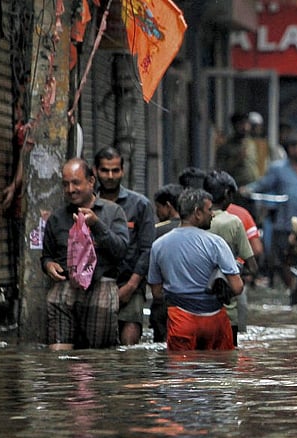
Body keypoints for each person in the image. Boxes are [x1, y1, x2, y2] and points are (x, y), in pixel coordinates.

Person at [41, 158, 129, 350]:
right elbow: (46, 255)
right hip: (65, 289)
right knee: (58, 355)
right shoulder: (57, 218)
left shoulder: (113, 212)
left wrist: (96, 224)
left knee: (97, 358)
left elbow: (121, 251)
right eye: (65, 184)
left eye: (76, 183)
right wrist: (49, 265)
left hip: (100, 288)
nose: (70, 189)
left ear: (91, 181)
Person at [148, 188, 244, 351]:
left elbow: (157, 293)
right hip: (214, 322)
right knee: (220, 372)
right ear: (197, 212)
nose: (212, 214)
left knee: (182, 372)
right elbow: (237, 287)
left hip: (181, 320)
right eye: (209, 210)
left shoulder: (159, 245)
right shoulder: (216, 243)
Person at [93, 146, 157, 346]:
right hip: (95, 285)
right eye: (105, 170)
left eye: (115, 170)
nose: (110, 176)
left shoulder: (140, 205)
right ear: (95, 171)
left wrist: (130, 287)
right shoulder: (88, 203)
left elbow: (147, 249)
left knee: (129, 348)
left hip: (129, 284)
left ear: (123, 171)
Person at [242, 133, 297, 290]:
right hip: (284, 222)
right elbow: (263, 185)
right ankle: (291, 288)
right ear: (291, 149)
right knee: (282, 259)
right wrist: (248, 190)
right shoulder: (278, 169)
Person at [203, 170, 258, 344]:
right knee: (228, 361)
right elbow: (252, 263)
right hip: (226, 309)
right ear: (227, 194)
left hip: (195, 308)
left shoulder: (195, 219)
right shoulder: (233, 221)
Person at [150, 183, 184, 343]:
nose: (157, 212)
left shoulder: (156, 231)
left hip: (164, 303)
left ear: (168, 206)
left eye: (158, 207)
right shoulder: (198, 230)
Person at [214, 112, 259, 190]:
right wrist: (237, 159)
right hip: (235, 189)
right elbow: (220, 170)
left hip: (252, 188)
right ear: (235, 126)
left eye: (246, 124)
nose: (245, 127)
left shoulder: (251, 143)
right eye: (241, 124)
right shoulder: (226, 146)